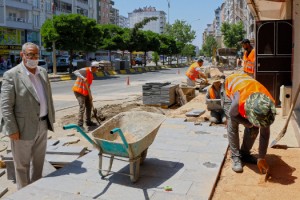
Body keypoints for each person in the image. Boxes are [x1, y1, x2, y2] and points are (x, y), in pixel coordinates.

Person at [0, 42, 55, 189]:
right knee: (22, 166)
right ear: (22, 55)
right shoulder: (11, 75)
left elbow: (47, 97)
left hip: (42, 124)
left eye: (36, 54)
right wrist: (11, 129)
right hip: (21, 129)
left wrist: (51, 120)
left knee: (38, 164)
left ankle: (35, 192)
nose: (33, 57)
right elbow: (5, 106)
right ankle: (23, 194)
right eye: (30, 54)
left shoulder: (42, 72)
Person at [221, 73, 276, 174]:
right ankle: (236, 157)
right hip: (230, 89)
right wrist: (247, 123)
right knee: (233, 124)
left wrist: (261, 157)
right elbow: (233, 115)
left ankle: (245, 154)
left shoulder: (267, 107)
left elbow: (265, 133)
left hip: (247, 87)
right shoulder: (238, 102)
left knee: (254, 127)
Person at [72, 61, 100, 128]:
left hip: (85, 91)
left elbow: (88, 86)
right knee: (82, 107)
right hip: (78, 91)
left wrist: (90, 96)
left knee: (89, 105)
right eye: (96, 68)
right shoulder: (86, 70)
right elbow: (75, 72)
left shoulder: (91, 74)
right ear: (93, 67)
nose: (97, 70)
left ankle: (88, 121)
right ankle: (80, 125)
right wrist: (83, 77)